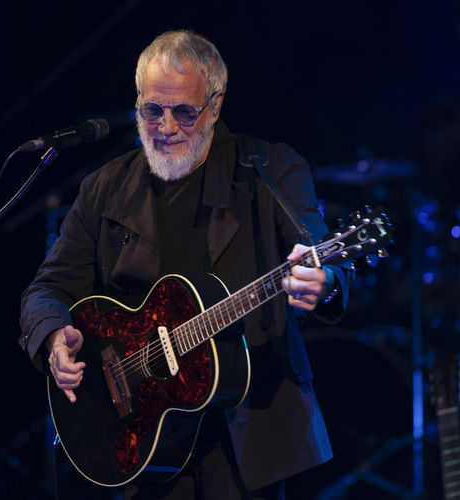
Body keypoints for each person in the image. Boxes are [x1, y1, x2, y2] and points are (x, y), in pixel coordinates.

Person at [19, 30, 350, 499]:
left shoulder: (272, 169)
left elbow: (318, 253)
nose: (166, 127)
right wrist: (53, 336)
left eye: (184, 112)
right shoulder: (105, 187)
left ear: (214, 107)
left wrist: (327, 280)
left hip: (247, 429)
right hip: (139, 430)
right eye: (152, 110)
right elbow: (47, 289)